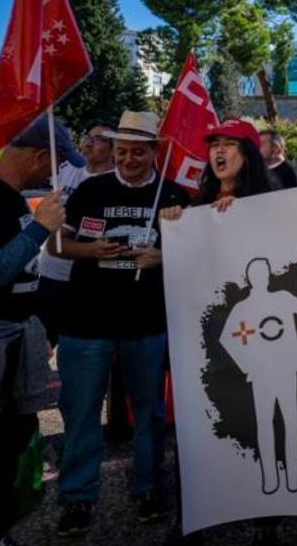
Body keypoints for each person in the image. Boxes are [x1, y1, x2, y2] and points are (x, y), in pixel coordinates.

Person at [53, 111, 192, 536]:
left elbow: (202, 252)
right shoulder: (92, 189)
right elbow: (57, 244)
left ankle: (148, 485)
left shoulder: (174, 196)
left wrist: (165, 255)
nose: (127, 159)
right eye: (121, 151)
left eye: (137, 151)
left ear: (154, 152)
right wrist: (89, 251)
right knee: (80, 413)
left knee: (149, 410)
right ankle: (77, 496)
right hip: (85, 321)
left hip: (146, 322)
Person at [0, 116, 77, 546]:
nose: (54, 174)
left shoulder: (10, 199)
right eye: (54, 164)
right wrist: (40, 230)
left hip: (13, 350)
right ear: (39, 157)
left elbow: (21, 275)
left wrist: (38, 325)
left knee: (5, 452)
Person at [163, 119, 278, 545]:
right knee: (200, 426)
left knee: (257, 423)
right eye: (215, 145)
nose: (219, 151)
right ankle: (193, 516)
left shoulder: (274, 204)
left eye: (230, 144)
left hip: (258, 338)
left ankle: (264, 522)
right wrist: (178, 226)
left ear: (247, 156)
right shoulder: (192, 207)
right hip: (207, 341)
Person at [38, 122, 116, 342]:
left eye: (98, 139)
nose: (89, 143)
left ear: (113, 149)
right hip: (50, 272)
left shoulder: (115, 184)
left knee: (77, 347)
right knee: (41, 345)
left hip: (84, 281)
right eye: (88, 137)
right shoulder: (67, 169)